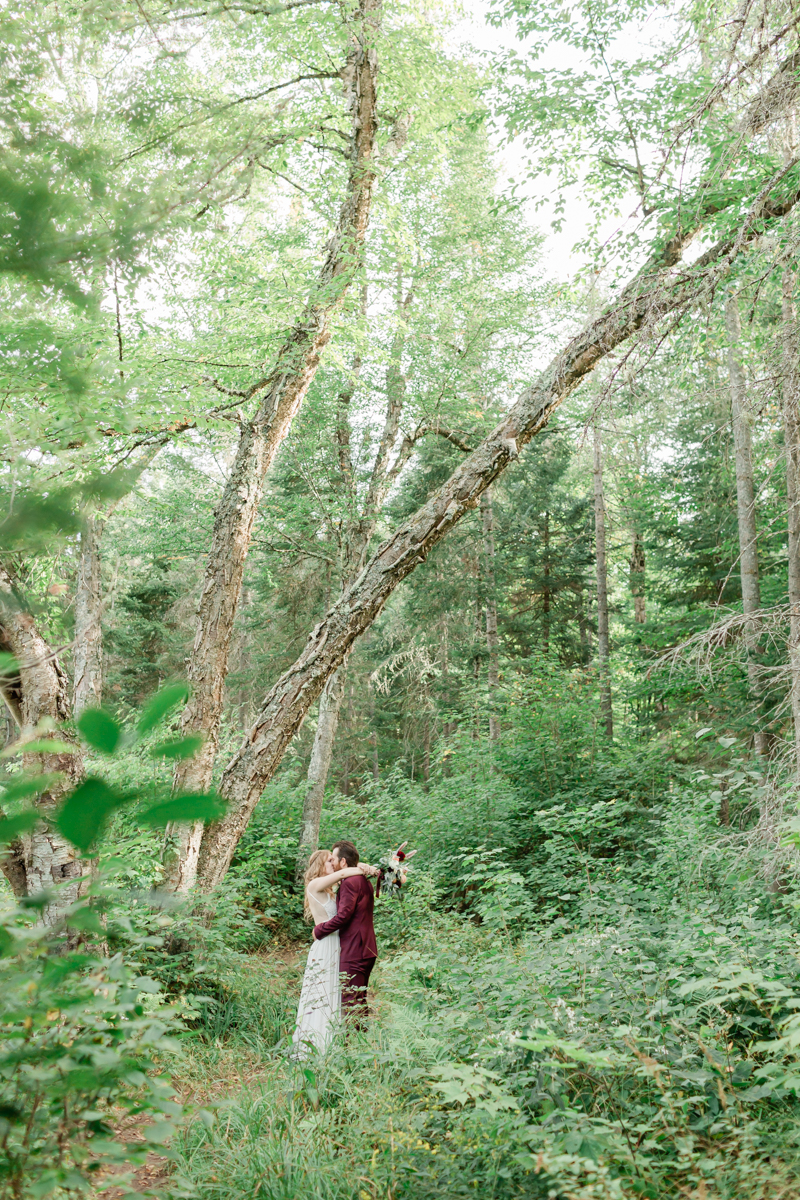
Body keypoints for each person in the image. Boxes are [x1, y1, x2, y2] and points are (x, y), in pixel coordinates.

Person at [292, 848, 372, 1057]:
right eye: (329, 861)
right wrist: (365, 869)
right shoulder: (315, 884)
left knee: (337, 993)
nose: (333, 864)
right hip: (325, 943)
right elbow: (345, 873)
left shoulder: (332, 888)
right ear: (319, 865)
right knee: (322, 993)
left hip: (340, 944)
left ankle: (337, 1044)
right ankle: (316, 1045)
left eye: (334, 860)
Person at [313, 840, 378, 1029]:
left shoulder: (350, 883)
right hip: (367, 947)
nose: (331, 862)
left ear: (343, 862)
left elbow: (343, 917)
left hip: (354, 949)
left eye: (333, 859)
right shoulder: (363, 880)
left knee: (351, 999)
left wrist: (319, 930)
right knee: (359, 998)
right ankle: (361, 1042)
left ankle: (353, 1047)